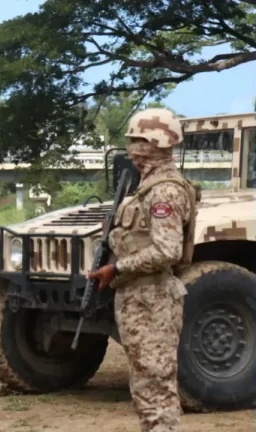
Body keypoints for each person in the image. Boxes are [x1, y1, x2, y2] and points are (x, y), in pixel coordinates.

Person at [87, 108, 199, 432]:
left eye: (135, 141)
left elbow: (167, 250)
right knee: (144, 388)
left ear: (154, 142)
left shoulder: (165, 190)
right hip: (138, 298)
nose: (131, 149)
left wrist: (117, 267)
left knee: (157, 388)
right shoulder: (145, 187)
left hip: (153, 300)